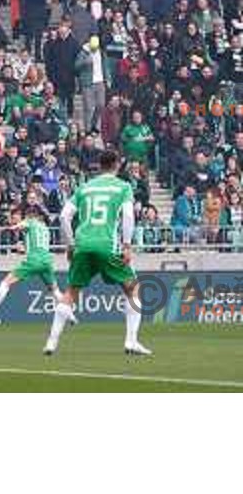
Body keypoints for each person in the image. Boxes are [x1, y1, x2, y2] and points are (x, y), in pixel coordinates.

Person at [47, 149, 152, 356]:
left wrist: (70, 245)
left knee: (71, 292)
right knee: (133, 289)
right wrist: (127, 244)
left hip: (83, 245)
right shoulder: (123, 187)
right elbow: (129, 216)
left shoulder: (84, 187)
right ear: (117, 165)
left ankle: (51, 342)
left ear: (99, 165)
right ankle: (131, 341)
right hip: (107, 245)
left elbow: (63, 217)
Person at [0, 205, 77, 327]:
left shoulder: (30, 222)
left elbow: (19, 227)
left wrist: (6, 229)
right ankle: (71, 316)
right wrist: (24, 247)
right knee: (55, 291)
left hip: (34, 259)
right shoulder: (45, 228)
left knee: (5, 283)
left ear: (30, 215)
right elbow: (36, 243)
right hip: (47, 261)